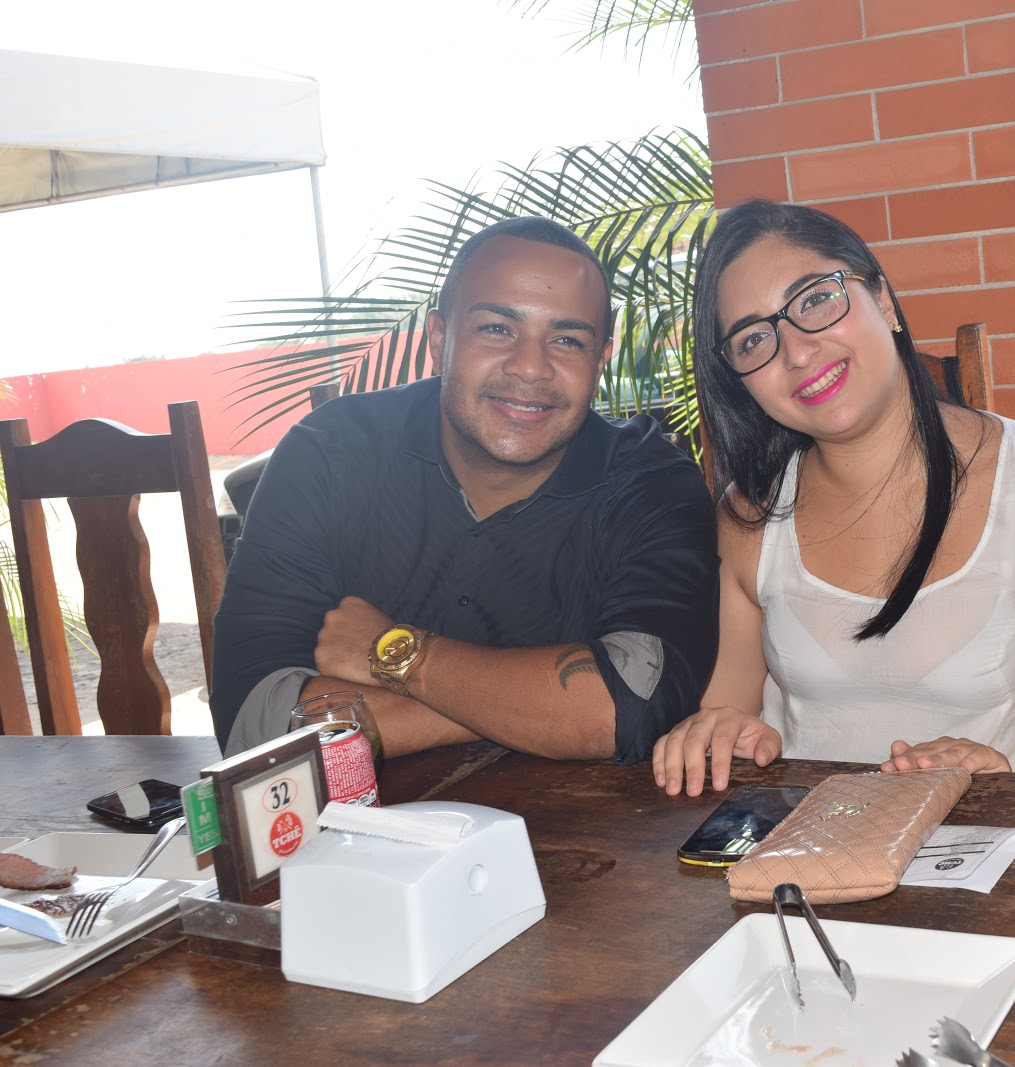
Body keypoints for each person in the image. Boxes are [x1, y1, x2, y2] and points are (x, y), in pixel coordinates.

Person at [652, 200, 1015, 796]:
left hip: (1005, 845)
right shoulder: (750, 515)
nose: (796, 352)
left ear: (884, 301)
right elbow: (723, 721)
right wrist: (716, 734)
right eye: (753, 338)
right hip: (806, 846)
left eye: (815, 299)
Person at [210, 216, 719, 763]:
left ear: (600, 361)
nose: (531, 368)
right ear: (439, 339)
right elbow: (254, 718)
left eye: (567, 340)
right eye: (497, 329)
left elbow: (628, 711)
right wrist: (539, 712)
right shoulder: (332, 452)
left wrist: (397, 656)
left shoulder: (651, 484)